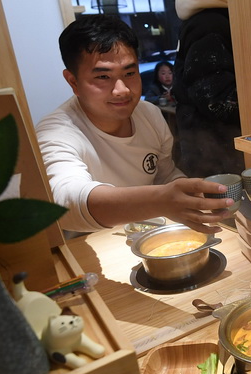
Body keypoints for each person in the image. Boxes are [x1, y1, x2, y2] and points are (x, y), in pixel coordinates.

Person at [36, 15, 233, 234]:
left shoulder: (149, 114)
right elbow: (66, 201)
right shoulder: (56, 133)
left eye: (129, 73)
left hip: (148, 233)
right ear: (73, 81)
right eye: (103, 77)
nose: (122, 90)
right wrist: (161, 200)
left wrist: (192, 196)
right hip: (88, 243)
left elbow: (165, 175)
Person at [172, 0, 245, 177]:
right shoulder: (209, 23)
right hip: (216, 158)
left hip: (211, 153)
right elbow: (216, 100)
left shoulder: (209, 17)